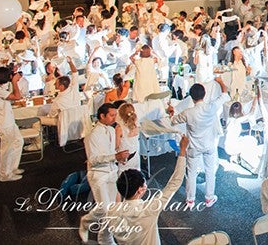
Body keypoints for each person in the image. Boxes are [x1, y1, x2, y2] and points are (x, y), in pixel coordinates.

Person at [97, 135, 189, 245]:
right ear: (139, 190)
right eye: (144, 182)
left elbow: (104, 239)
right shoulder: (149, 209)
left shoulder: (111, 213)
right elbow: (174, 183)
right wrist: (182, 151)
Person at [168, 76, 230, 208]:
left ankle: (190, 200)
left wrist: (171, 113)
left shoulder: (188, 112)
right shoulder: (211, 107)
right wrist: (220, 81)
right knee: (210, 171)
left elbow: (173, 121)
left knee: (191, 173)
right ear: (205, 94)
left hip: (193, 147)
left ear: (191, 97)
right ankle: (209, 198)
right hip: (209, 145)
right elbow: (225, 94)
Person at [80, 103, 130, 241]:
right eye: (112, 115)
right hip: (98, 175)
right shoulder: (92, 135)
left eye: (115, 115)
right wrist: (115, 157)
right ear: (102, 116)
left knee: (111, 209)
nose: (115, 118)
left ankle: (101, 234)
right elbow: (93, 159)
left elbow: (110, 151)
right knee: (106, 210)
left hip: (112, 171)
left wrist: (119, 158)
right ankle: (98, 234)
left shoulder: (110, 130)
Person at [0, 67, 24, 182]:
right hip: (4, 124)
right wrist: (14, 82)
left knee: (18, 142)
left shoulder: (0, 88)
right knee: (6, 149)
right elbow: (17, 96)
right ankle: (5, 174)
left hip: (9, 122)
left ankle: (12, 167)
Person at [115, 102, 140, 173]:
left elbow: (116, 146)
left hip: (124, 158)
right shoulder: (136, 125)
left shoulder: (119, 128)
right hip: (135, 156)